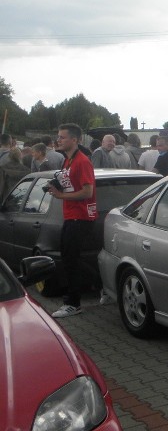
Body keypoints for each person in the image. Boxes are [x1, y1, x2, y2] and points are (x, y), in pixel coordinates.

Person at [45, 123, 97, 318]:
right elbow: (71, 184)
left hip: (80, 217)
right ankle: (101, 286)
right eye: (58, 137)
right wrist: (56, 186)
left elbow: (87, 191)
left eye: (63, 137)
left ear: (74, 140)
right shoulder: (67, 161)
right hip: (70, 216)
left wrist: (60, 196)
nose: (59, 140)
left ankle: (73, 303)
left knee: (71, 260)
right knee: (69, 258)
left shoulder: (82, 161)